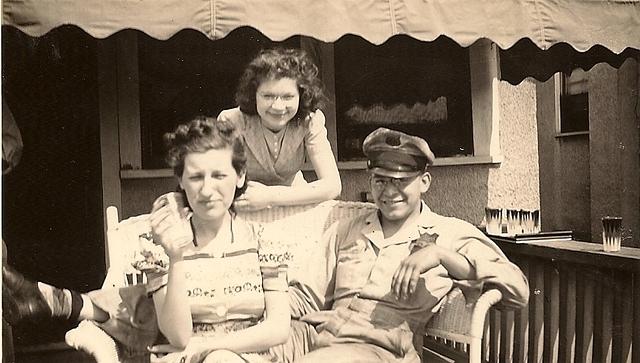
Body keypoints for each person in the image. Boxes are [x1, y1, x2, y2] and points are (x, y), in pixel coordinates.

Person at [286, 127, 530, 362]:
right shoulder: (347, 229)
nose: (389, 192)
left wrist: (442, 256)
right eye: (380, 181)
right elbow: (305, 296)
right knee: (254, 345)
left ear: (424, 182)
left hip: (381, 348)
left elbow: (517, 291)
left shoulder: (448, 232)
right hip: (318, 335)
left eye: (400, 181)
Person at [144, 116, 291, 363]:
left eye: (219, 175)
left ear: (240, 175)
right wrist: (176, 258)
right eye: (196, 177)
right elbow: (179, 338)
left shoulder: (262, 240)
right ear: (181, 180)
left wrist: (209, 346)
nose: (207, 189)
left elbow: (278, 328)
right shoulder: (159, 247)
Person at [217, 47, 341, 211]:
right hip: (245, 205)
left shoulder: (311, 121)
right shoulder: (232, 121)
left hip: (294, 203)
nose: (277, 106)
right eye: (267, 96)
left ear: (302, 95)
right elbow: (219, 180)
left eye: (288, 96)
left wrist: (271, 197)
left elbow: (333, 185)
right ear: (253, 95)